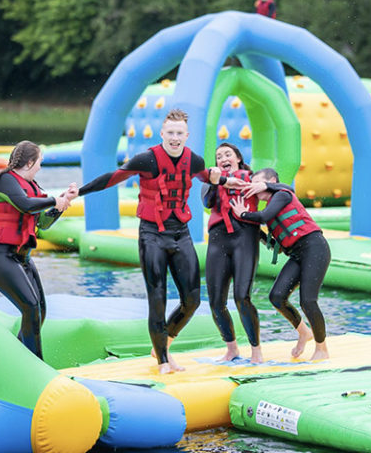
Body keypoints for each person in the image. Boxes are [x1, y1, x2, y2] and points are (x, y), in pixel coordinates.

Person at [78, 108, 247, 374]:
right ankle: (164, 361)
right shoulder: (147, 159)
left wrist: (228, 181)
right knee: (157, 298)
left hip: (181, 233)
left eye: (180, 133)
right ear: (162, 134)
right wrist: (79, 191)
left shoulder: (194, 161)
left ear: (187, 135)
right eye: (170, 133)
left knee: (191, 301)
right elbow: (113, 177)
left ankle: (163, 344)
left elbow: (208, 177)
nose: (175, 138)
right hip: (152, 235)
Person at [0, 140, 78, 360]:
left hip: (22, 258)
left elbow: (42, 223)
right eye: (39, 163)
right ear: (29, 162)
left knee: (39, 311)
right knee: (31, 308)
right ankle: (38, 365)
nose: (39, 168)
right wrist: (54, 199)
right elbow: (25, 205)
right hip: (0, 258)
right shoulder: (4, 181)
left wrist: (61, 204)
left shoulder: (32, 186)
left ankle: (15, 359)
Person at [230, 168, 330, 361]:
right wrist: (252, 230)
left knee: (308, 301)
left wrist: (244, 214)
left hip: (314, 248)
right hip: (297, 254)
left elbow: (263, 216)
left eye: (256, 183)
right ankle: (304, 333)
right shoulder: (272, 209)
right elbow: (277, 245)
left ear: (271, 181)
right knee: (277, 297)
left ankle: (322, 349)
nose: (253, 189)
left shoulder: (283, 194)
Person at [202, 143, 263, 363]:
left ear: (238, 158)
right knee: (215, 301)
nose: (223, 159)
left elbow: (275, 191)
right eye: (219, 156)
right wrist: (214, 180)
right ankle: (232, 348)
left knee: (242, 297)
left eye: (228, 154)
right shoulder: (212, 181)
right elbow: (208, 203)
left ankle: (256, 350)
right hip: (218, 241)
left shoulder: (251, 178)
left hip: (244, 238)